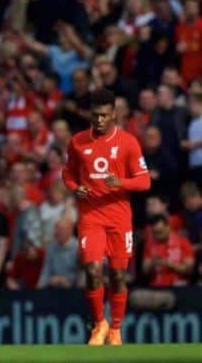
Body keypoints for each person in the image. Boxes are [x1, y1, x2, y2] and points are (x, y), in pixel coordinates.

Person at [62, 89, 151, 346]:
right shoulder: (78, 141)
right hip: (91, 217)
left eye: (104, 115)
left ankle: (116, 329)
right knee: (92, 271)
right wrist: (74, 188)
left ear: (113, 115)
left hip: (119, 219)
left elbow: (144, 181)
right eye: (95, 115)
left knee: (118, 276)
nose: (99, 120)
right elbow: (67, 173)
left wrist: (120, 182)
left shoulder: (128, 142)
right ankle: (99, 324)